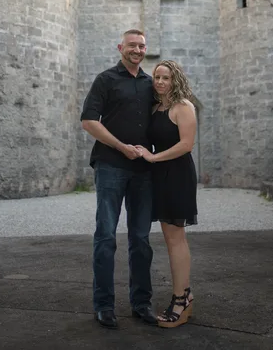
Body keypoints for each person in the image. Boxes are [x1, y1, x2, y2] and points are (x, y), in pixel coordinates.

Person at [80, 29, 157, 329]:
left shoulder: (152, 84)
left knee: (140, 239)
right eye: (131, 45)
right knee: (106, 237)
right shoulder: (106, 80)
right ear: (120, 47)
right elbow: (89, 121)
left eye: (141, 46)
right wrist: (121, 147)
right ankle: (104, 305)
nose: (137, 50)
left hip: (143, 171)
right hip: (111, 165)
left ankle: (141, 303)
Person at [136, 60, 197, 328]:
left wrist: (153, 157)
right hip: (160, 175)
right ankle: (185, 295)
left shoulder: (183, 106)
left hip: (177, 175)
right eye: (157, 77)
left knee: (176, 239)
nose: (160, 81)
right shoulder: (156, 107)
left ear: (176, 80)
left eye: (166, 77)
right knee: (170, 237)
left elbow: (186, 145)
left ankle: (181, 300)